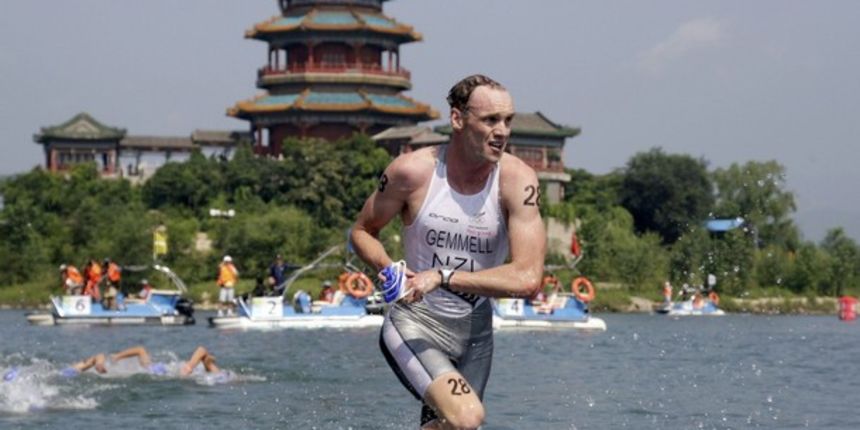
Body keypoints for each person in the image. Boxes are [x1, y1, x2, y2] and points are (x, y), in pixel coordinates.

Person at [350, 74, 545, 429]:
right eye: (490, 120)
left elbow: (528, 277)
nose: (502, 131)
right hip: (414, 322)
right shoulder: (411, 172)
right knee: (468, 417)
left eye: (508, 121)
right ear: (457, 119)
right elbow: (362, 232)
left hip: (475, 335)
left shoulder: (518, 181)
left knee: (450, 427)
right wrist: (388, 267)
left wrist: (443, 277)